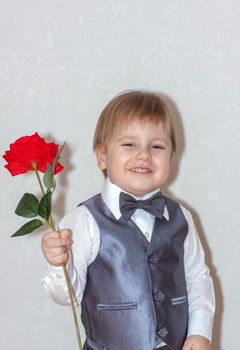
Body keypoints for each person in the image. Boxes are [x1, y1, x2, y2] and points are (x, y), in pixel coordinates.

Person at [41, 90, 215, 350]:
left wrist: (200, 331)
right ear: (102, 156)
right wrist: (58, 264)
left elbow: (197, 276)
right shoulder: (84, 220)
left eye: (157, 146)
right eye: (129, 144)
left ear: (171, 157)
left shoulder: (182, 217)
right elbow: (67, 296)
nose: (144, 155)